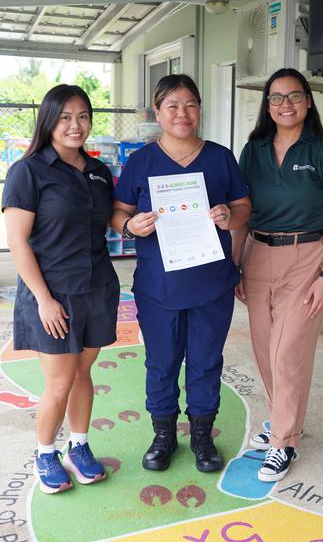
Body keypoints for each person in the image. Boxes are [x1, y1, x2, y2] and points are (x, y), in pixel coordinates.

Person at [112, 74, 251, 473]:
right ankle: (164, 434)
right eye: (172, 105)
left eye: (190, 104)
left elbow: (243, 206)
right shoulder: (141, 161)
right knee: (161, 362)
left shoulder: (220, 157)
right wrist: (128, 226)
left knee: (206, 361)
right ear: (157, 112)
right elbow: (118, 210)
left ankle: (203, 436)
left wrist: (230, 216)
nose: (182, 113)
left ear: (200, 109)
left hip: (211, 284)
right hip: (159, 287)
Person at [232, 68, 323, 482]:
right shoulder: (254, 150)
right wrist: (236, 265)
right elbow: (241, 214)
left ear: (308, 101)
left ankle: (284, 441)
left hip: (306, 257)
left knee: (288, 353)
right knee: (265, 352)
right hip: (258, 254)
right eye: (277, 97)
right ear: (267, 105)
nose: (286, 104)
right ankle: (281, 422)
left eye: (294, 96)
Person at [2, 84, 120, 494]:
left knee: (83, 372)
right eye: (66, 117)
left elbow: (110, 222)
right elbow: (18, 243)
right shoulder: (28, 171)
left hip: (97, 286)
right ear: (49, 120)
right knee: (59, 381)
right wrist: (45, 300)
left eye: (83, 116)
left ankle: (79, 446)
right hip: (53, 291)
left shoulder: (99, 171)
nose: (76, 125)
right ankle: (45, 453)